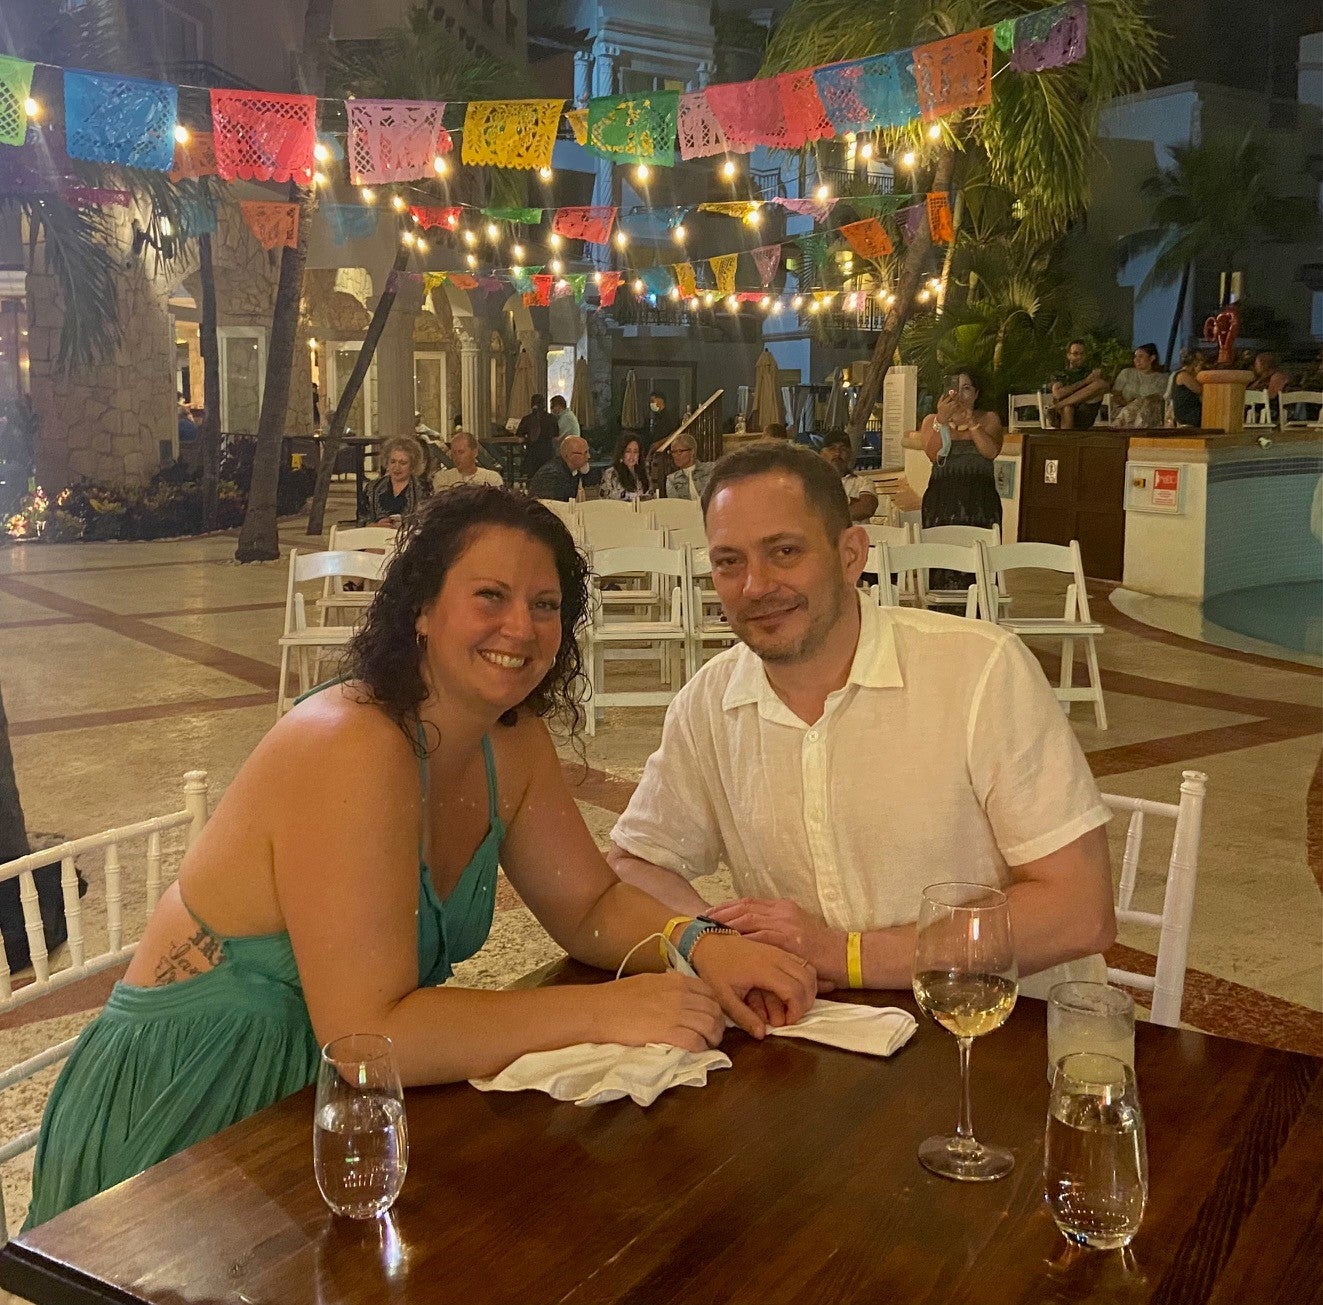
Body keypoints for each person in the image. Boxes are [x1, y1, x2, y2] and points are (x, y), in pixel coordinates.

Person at [24, 486, 816, 1228]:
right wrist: (609, 1008)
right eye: (490, 596)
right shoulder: (352, 744)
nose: (523, 627)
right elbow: (368, 1032)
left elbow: (590, 905)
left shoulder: (510, 736)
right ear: (422, 610)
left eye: (546, 605)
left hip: (330, 1113)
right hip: (192, 1119)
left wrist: (698, 941)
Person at [607, 443, 1116, 1000]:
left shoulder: (977, 671)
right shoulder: (708, 704)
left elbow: (1079, 910)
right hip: (823, 1039)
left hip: (999, 1030)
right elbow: (634, 864)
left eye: (783, 552)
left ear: (851, 555)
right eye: (730, 562)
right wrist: (714, 941)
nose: (754, 586)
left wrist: (845, 954)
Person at [914, 370, 1003, 589]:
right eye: (956, 388)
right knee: (942, 563)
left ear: (976, 393)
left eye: (967, 388)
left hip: (980, 501)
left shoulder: (989, 419)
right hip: (942, 502)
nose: (960, 395)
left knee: (980, 566)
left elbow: (990, 451)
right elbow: (933, 455)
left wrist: (971, 422)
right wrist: (941, 421)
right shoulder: (930, 421)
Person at [360, 436, 430, 526]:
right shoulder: (372, 488)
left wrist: (405, 524)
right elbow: (361, 521)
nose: (396, 467)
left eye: (403, 463)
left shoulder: (424, 488)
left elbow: (429, 522)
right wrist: (376, 525)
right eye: (393, 462)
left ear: (413, 465)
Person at [818, 432, 879, 522]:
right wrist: (852, 501)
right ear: (821, 454)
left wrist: (829, 518)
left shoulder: (863, 482)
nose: (837, 453)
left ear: (850, 454)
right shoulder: (813, 482)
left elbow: (867, 508)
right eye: (832, 449)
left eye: (843, 449)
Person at [1049, 341, 1109, 431]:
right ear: (1068, 355)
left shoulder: (1090, 372)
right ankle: (1067, 440)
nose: (1080, 357)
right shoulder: (1060, 374)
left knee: (1101, 383)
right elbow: (1058, 394)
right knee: (1068, 408)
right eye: (1075, 354)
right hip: (1061, 416)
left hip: (1085, 414)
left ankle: (1060, 405)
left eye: (1082, 353)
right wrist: (1085, 381)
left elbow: (1105, 386)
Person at [1109, 344, 1167, 428]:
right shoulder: (1127, 373)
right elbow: (1116, 395)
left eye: (1141, 356)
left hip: (1149, 413)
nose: (1136, 360)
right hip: (1124, 409)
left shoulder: (1161, 378)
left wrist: (1140, 403)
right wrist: (1130, 404)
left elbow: (1159, 399)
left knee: (1146, 402)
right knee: (1135, 407)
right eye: (1135, 356)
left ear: (1152, 358)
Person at [433, 429, 504, 491]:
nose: (456, 456)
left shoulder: (492, 478)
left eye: (461, 452)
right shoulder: (443, 478)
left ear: (475, 452)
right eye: (454, 452)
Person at [527, 434, 589, 502]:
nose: (588, 457)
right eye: (584, 453)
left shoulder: (572, 471)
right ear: (567, 455)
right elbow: (551, 506)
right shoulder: (552, 474)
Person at [516, 395, 560, 479]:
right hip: (547, 454)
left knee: (532, 479)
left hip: (531, 455)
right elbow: (556, 438)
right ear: (544, 404)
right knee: (547, 478)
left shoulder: (526, 419)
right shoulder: (551, 418)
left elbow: (520, 438)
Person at [599, 433, 651, 501]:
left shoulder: (645, 472)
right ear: (621, 453)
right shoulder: (610, 473)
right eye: (628, 451)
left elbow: (650, 493)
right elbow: (608, 497)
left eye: (635, 452)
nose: (632, 456)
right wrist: (632, 497)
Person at [665, 433, 714, 500]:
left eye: (680, 451)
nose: (675, 455)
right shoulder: (671, 479)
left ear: (692, 452)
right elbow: (676, 505)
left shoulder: (710, 469)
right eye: (673, 452)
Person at [1166, 350, 1204, 427]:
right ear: (1194, 362)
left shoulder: (1188, 374)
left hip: (1192, 410)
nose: (1202, 362)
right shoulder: (1183, 375)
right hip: (1187, 413)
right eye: (1200, 360)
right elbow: (1199, 390)